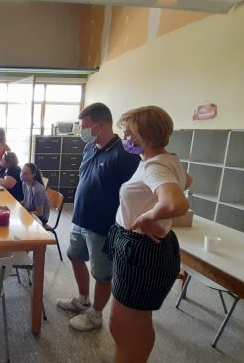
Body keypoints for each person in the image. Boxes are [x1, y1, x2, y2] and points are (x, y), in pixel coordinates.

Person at [106, 106, 189, 363]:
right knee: (135, 324)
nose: (126, 138)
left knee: (124, 326)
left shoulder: (156, 166)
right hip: (140, 248)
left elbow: (177, 202)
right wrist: (154, 209)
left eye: (129, 133)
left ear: (145, 135)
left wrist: (147, 216)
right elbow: (187, 181)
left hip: (141, 252)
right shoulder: (166, 160)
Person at [56, 102, 140, 332]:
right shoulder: (90, 148)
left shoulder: (123, 154)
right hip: (80, 216)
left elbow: (134, 193)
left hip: (103, 225)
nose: (82, 132)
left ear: (101, 125)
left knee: (102, 273)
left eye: (86, 127)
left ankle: (96, 315)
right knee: (74, 256)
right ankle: (83, 299)